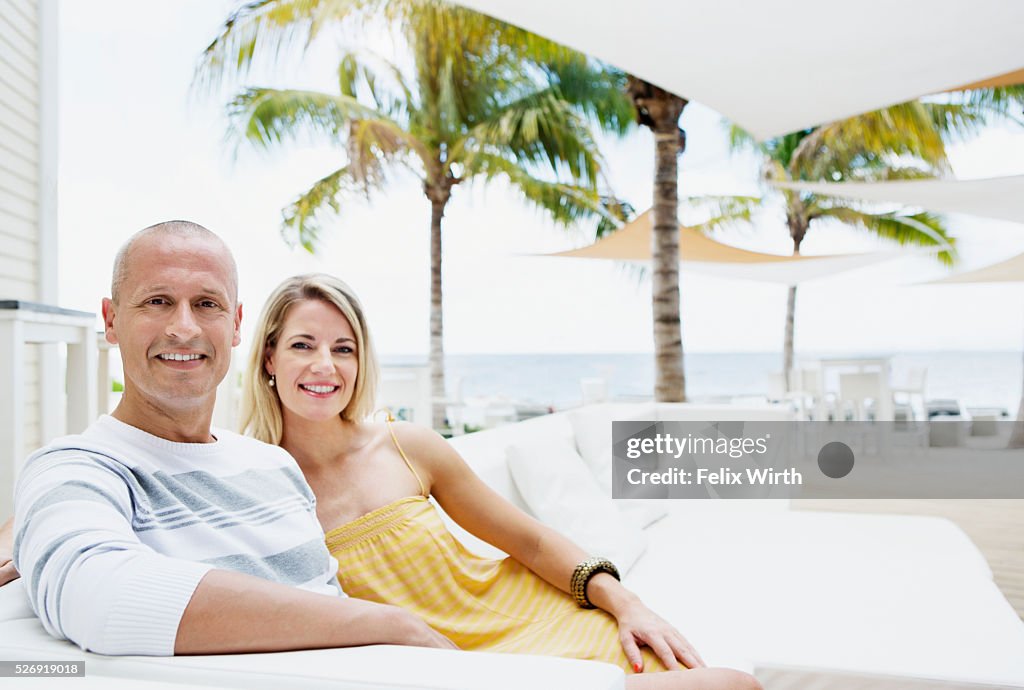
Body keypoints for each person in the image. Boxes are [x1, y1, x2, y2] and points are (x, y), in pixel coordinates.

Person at [239, 273, 761, 690]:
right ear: (269, 357)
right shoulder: (257, 486)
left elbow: (530, 540)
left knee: (735, 686)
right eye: (303, 345)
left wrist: (629, 604)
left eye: (343, 348)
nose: (324, 365)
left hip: (536, 619)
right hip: (452, 670)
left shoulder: (406, 445)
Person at [9, 221, 454, 655]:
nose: (184, 328)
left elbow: (325, 593)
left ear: (237, 324)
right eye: (158, 301)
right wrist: (389, 623)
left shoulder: (274, 465)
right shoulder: (77, 468)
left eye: (207, 304)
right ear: (111, 320)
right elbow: (99, 598)